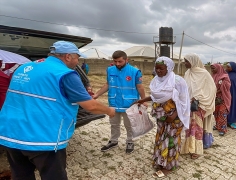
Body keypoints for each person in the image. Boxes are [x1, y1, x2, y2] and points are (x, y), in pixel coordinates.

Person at [0, 41, 115, 180]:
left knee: (21, 176)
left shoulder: (24, 67)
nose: (77, 61)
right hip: (42, 138)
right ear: (68, 56)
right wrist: (109, 110)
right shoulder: (65, 74)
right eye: (77, 57)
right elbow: (91, 106)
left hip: (10, 134)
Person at [134, 56, 190, 178]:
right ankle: (160, 161)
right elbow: (156, 97)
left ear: (169, 68)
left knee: (171, 141)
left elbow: (184, 101)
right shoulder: (156, 81)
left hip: (174, 118)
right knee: (161, 139)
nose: (158, 71)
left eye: (161, 68)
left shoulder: (177, 81)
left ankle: (169, 166)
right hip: (162, 117)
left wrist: (174, 115)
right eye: (156, 68)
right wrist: (141, 100)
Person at [93, 50, 146, 154]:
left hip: (129, 104)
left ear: (127, 60)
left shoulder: (135, 71)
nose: (117, 64)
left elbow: (140, 87)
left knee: (129, 124)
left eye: (120, 61)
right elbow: (108, 84)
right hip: (114, 103)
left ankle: (130, 141)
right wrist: (97, 94)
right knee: (114, 124)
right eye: (115, 61)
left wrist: (143, 100)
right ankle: (113, 141)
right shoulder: (110, 70)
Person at [181, 53, 216, 158]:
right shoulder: (187, 73)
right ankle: (189, 147)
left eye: (187, 61)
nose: (185, 63)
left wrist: (198, 98)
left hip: (198, 105)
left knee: (197, 128)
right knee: (189, 127)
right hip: (187, 105)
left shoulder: (204, 73)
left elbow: (212, 89)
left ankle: (196, 150)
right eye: (184, 61)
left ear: (193, 61)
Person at [211, 63, 231, 136]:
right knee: (216, 113)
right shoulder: (212, 76)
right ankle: (217, 125)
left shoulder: (225, 77)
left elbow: (227, 87)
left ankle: (222, 129)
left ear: (218, 68)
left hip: (223, 98)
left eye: (213, 68)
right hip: (215, 98)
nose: (212, 70)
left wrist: (217, 91)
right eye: (211, 68)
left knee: (222, 113)